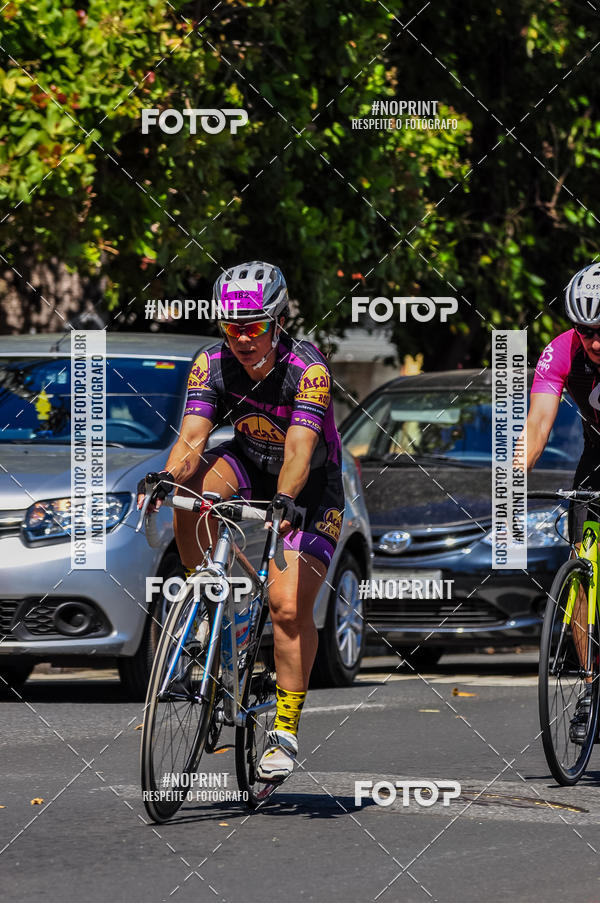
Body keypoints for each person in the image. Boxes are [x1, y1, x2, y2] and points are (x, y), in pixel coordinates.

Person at [138, 261, 345, 780]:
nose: (243, 339)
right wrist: (165, 477)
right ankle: (207, 600)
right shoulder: (211, 363)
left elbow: (299, 452)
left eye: (253, 327)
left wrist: (285, 501)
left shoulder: (308, 371)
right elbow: (192, 440)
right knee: (190, 490)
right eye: (232, 328)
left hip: (309, 487)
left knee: (287, 608)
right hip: (249, 462)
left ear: (277, 322)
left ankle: (285, 729)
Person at [525, 262, 600, 743]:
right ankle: (592, 686)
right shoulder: (560, 351)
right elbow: (538, 424)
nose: (595, 342)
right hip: (597, 457)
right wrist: (513, 476)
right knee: (584, 572)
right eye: (586, 331)